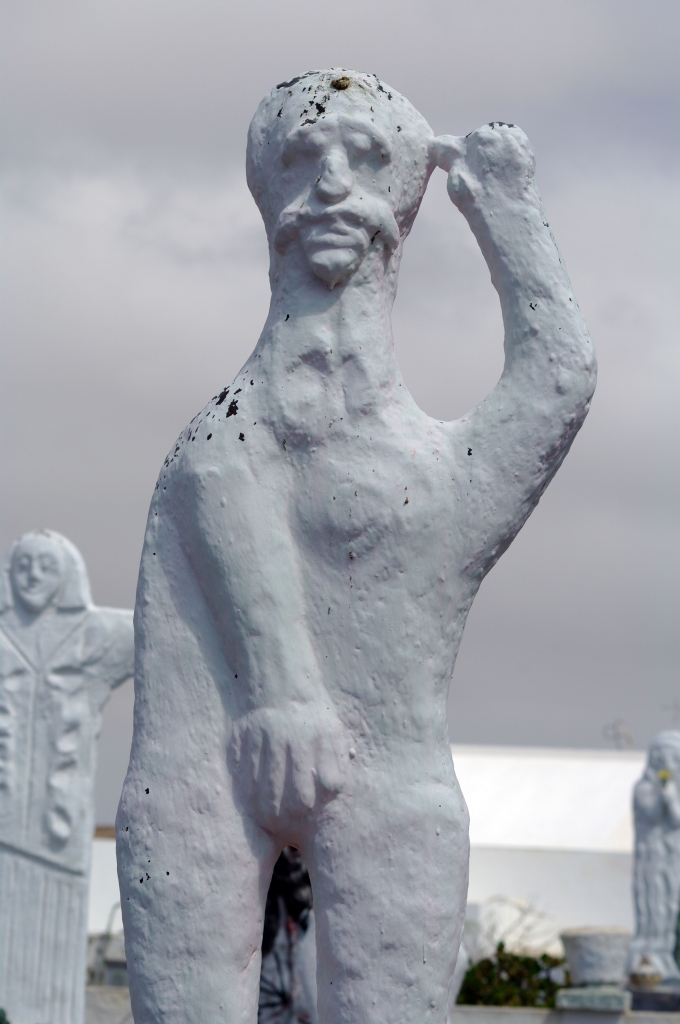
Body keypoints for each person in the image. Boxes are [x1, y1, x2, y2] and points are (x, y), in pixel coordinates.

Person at [118, 69, 596, 1024]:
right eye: (303, 157)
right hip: (201, 769)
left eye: (367, 158)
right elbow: (225, 478)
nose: (333, 182)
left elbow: (560, 379)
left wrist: (508, 214)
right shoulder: (212, 449)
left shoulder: (436, 474)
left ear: (406, 192)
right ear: (270, 197)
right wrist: (280, 686)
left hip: (393, 778)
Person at [0, 530, 133, 1024]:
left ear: (66, 576)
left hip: (60, 843)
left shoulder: (92, 634)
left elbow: (155, 631)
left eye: (45, 566)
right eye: (23, 566)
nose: (32, 576)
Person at [629, 732, 680, 982]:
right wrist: (664, 793)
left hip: (671, 858)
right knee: (652, 903)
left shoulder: (674, 791)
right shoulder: (644, 788)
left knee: (669, 905)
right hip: (651, 857)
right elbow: (651, 813)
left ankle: (663, 951)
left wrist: (671, 796)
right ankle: (647, 953)